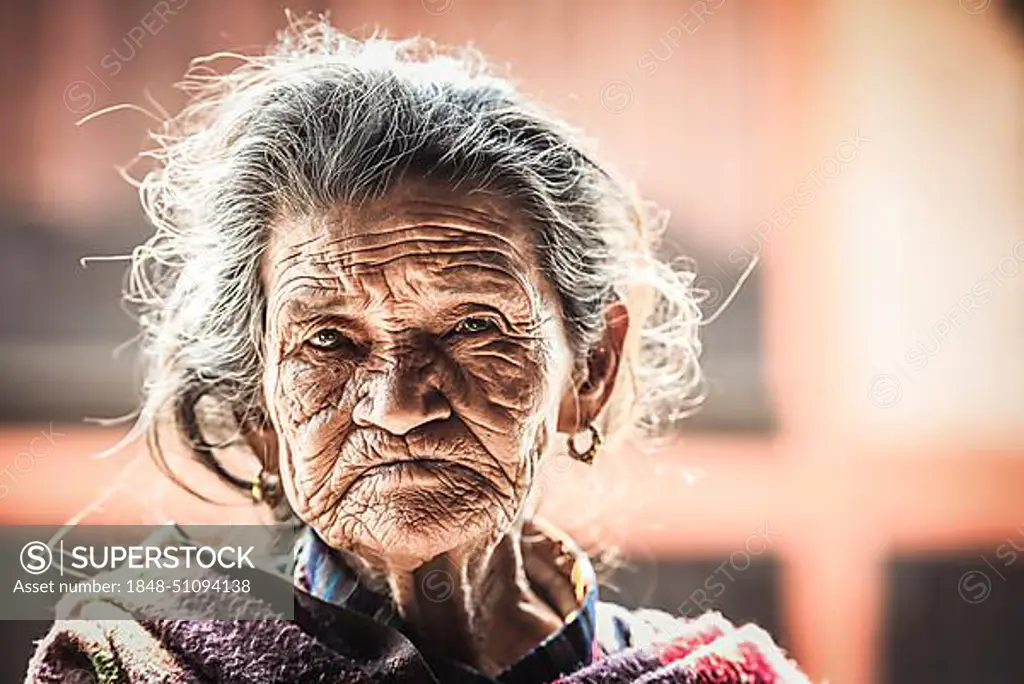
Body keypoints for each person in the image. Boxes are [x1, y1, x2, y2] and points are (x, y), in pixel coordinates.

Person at [25, 19, 811, 684]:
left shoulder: (720, 672)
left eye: (474, 329)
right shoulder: (134, 667)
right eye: (327, 341)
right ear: (257, 411)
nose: (399, 402)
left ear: (592, 369)